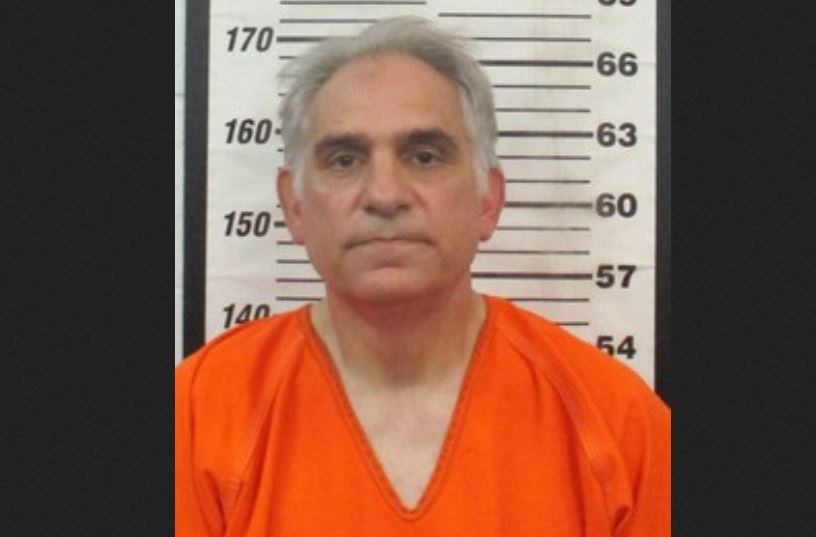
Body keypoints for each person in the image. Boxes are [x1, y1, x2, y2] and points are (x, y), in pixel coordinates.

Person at [175, 15, 670, 536]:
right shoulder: (196, 418)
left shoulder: (620, 425)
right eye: (344, 160)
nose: (385, 195)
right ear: (294, 206)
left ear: (488, 199)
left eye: (425, 156)